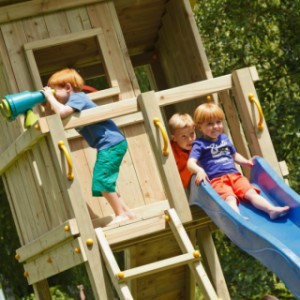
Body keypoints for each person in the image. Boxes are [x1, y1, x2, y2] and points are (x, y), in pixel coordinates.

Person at [41, 68, 134, 225]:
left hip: (110, 143)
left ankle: (120, 214)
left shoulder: (78, 98)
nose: (53, 94)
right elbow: (54, 117)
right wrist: (47, 103)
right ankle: (127, 213)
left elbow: (62, 113)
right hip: (109, 144)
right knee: (105, 181)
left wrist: (50, 97)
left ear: (68, 88)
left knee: (102, 179)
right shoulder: (73, 102)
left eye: (55, 91)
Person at [187, 102, 290, 220]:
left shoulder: (224, 139)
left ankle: (271, 210)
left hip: (235, 176)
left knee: (251, 193)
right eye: (210, 124)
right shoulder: (199, 144)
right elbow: (190, 162)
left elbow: (234, 155)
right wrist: (199, 170)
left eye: (218, 122)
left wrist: (245, 162)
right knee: (230, 198)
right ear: (200, 126)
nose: (215, 126)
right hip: (218, 181)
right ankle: (238, 218)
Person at [168, 113, 196, 190]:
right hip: (176, 188)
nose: (190, 139)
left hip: (190, 183)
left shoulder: (196, 146)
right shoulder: (171, 153)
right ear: (174, 138)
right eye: (184, 136)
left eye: (192, 134)